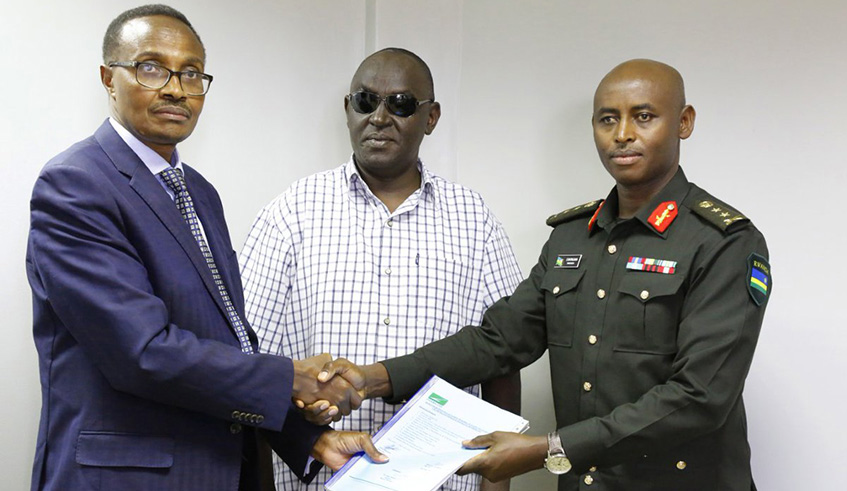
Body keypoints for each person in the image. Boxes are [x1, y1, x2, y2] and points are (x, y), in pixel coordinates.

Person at [316, 59, 772, 491]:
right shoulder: (573, 239)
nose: (623, 135)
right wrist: (373, 378)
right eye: (608, 119)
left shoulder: (724, 242)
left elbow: (700, 398)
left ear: (684, 122)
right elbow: (498, 341)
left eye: (645, 116)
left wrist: (548, 450)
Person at [26, 5, 384, 490]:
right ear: (109, 78)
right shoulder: (76, 185)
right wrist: (287, 379)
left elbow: (227, 340)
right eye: (151, 67)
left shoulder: (198, 192)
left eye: (191, 73)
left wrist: (307, 437)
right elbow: (143, 353)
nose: (175, 88)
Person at [239, 48, 523, 491]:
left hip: (444, 480)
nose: (380, 117)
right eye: (366, 101)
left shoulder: (474, 218)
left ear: (431, 118)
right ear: (348, 110)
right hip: (322, 476)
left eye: (402, 104)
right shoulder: (292, 211)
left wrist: (497, 482)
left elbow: (504, 355)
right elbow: (248, 359)